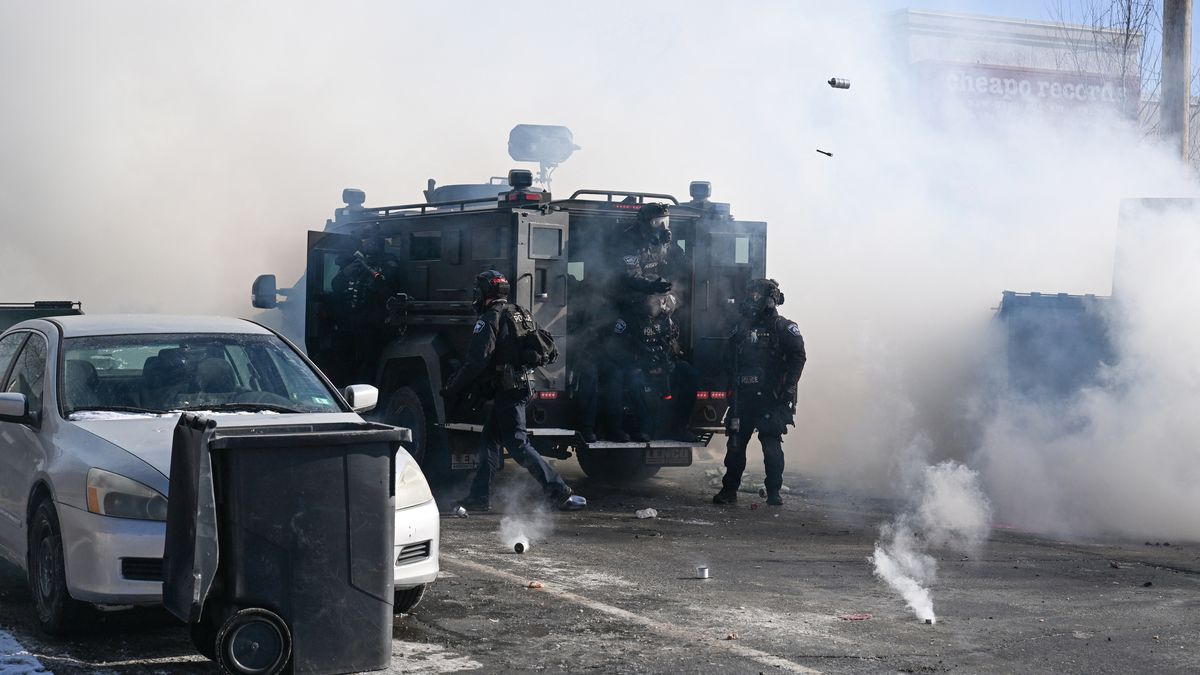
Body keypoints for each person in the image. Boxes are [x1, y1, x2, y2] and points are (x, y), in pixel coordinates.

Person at [442, 270, 580, 512]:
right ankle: (478, 497)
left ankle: (558, 490)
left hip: (510, 389)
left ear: (486, 292)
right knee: (490, 440)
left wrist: (452, 387)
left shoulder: (490, 318)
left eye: (479, 290)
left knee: (517, 444)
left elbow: (477, 360)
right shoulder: (521, 312)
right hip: (524, 385)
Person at [713, 279, 805, 506]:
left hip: (770, 399)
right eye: (750, 293)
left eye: (756, 294)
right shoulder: (740, 327)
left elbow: (798, 357)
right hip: (743, 398)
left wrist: (789, 387)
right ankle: (729, 490)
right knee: (735, 445)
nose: (751, 298)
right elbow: (728, 357)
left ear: (770, 299)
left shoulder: (783, 327)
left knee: (771, 448)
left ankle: (774, 492)